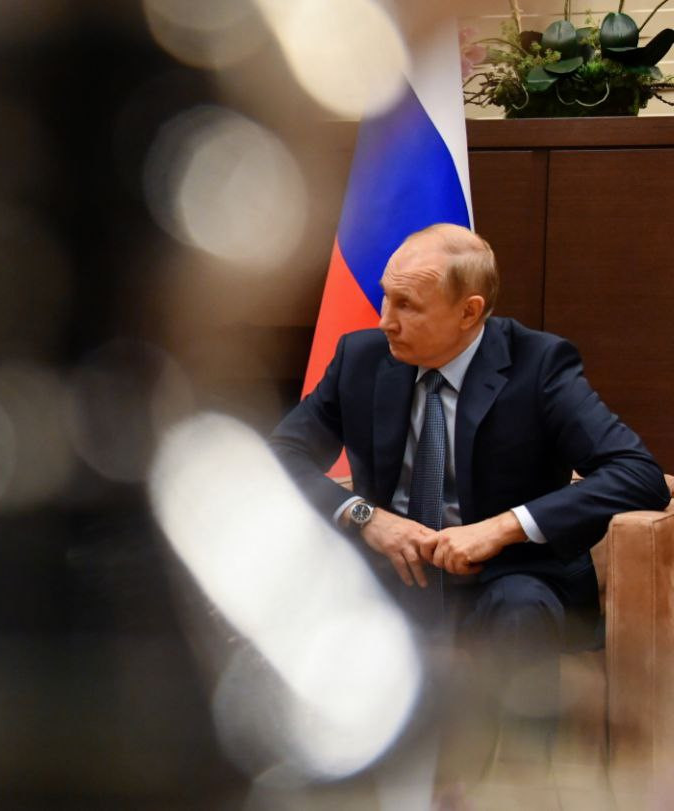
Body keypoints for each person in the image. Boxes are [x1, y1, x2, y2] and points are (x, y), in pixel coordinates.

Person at [269, 224, 668, 743]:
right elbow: (280, 456)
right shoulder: (360, 359)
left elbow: (637, 474)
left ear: (469, 312)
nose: (385, 320)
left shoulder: (539, 365)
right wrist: (367, 517)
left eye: (407, 305)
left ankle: (521, 777)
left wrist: (501, 528)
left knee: (520, 608)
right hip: (390, 571)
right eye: (386, 297)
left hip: (508, 575)